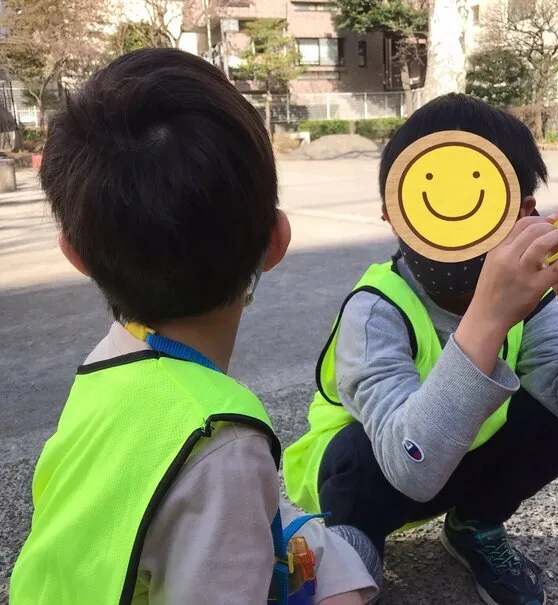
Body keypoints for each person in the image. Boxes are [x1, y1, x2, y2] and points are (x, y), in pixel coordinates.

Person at [10, 48, 381, 605]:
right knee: (349, 563)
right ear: (276, 241)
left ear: (76, 255)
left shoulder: (108, 364)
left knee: (325, 546)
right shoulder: (222, 442)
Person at [283, 93, 558, 605]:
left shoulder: (536, 303)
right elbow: (410, 467)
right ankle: (351, 542)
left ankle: (474, 524)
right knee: (357, 464)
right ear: (393, 216)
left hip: (454, 458)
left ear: (523, 214)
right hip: (368, 478)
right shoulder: (376, 308)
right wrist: (489, 317)